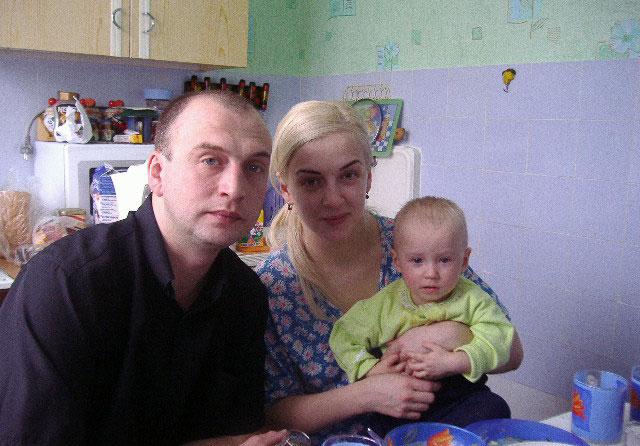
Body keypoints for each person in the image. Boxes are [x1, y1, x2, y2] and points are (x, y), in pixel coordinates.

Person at [0, 91, 288, 446]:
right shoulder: (65, 285)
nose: (235, 188)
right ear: (157, 173)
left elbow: (233, 434)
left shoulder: (245, 295)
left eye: (254, 167)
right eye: (210, 160)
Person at [257, 100, 524, 442]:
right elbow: (270, 416)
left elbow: (513, 352)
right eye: (311, 182)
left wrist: (451, 336)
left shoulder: (414, 243)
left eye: (349, 175)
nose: (333, 199)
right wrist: (366, 393)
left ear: (368, 177)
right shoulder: (273, 286)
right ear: (285, 189)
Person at [329, 196, 515, 431]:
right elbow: (343, 335)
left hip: (461, 397)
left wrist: (455, 361)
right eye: (417, 261)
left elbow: (502, 338)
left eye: (444, 260)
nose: (431, 273)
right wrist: (370, 369)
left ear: (464, 260)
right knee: (373, 429)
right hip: (400, 402)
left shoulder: (473, 299)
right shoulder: (385, 304)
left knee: (495, 408)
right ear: (397, 261)